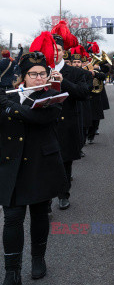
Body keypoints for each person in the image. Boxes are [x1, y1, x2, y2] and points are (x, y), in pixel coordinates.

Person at [0, 48, 66, 284]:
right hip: (11, 167)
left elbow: (38, 117)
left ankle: (38, 258)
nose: (39, 78)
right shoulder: (7, 94)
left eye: (42, 74)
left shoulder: (54, 96)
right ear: (23, 76)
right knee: (13, 219)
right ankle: (12, 270)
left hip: (42, 165)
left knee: (39, 215)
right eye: (33, 74)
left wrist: (9, 106)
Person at [51, 31, 89, 210]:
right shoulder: (39, 71)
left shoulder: (73, 72)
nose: (54, 52)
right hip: (46, 123)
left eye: (57, 49)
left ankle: (63, 194)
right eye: (50, 49)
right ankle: (45, 201)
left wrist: (63, 81)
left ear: (63, 52)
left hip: (67, 122)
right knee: (45, 162)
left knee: (64, 160)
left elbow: (82, 93)